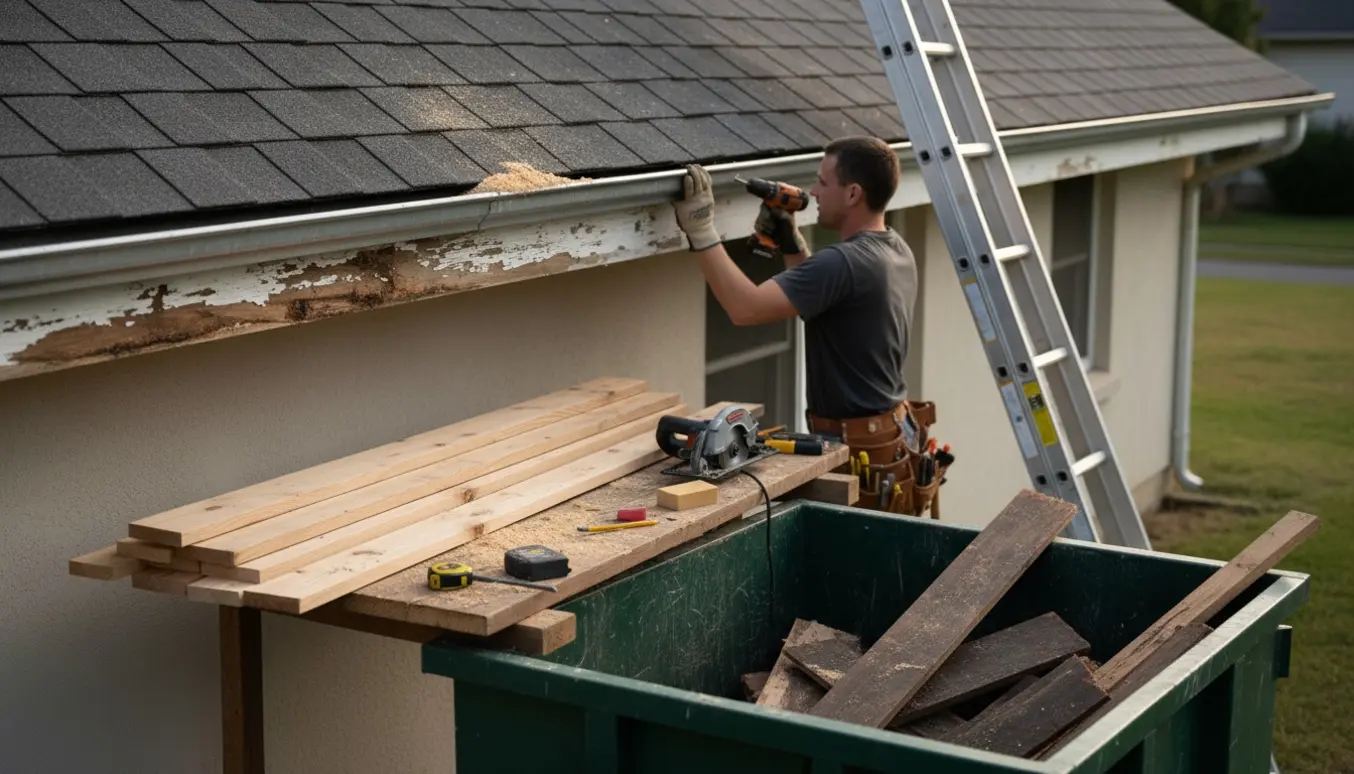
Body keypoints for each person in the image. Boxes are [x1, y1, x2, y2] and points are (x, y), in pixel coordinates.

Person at [673, 135, 946, 516]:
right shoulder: (894, 248)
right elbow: (827, 297)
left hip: (859, 447)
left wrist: (701, 230)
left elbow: (745, 309)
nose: (813, 191)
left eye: (823, 182)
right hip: (891, 434)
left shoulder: (843, 262)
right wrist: (791, 241)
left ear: (853, 194)